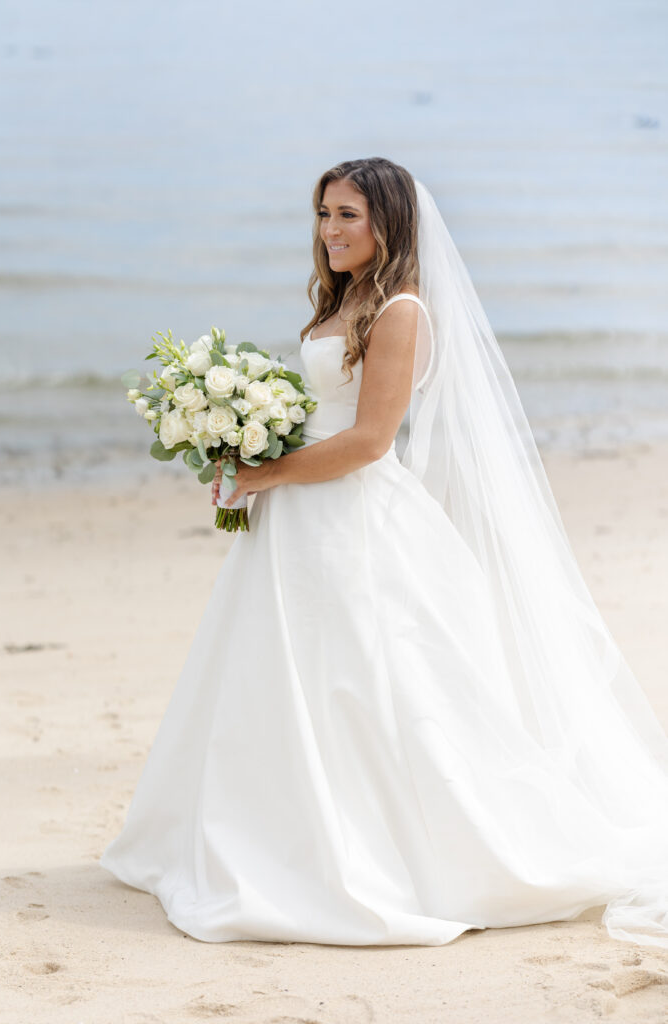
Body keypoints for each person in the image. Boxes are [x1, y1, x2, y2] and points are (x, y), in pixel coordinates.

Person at [101, 157, 668, 949]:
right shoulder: (345, 301)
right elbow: (322, 418)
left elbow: (368, 442)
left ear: (388, 224)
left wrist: (263, 471)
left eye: (346, 216)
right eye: (323, 214)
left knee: (364, 681)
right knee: (285, 674)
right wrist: (242, 449)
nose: (329, 230)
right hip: (300, 517)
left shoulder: (399, 310)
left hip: (354, 519)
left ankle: (382, 853)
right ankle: (275, 831)